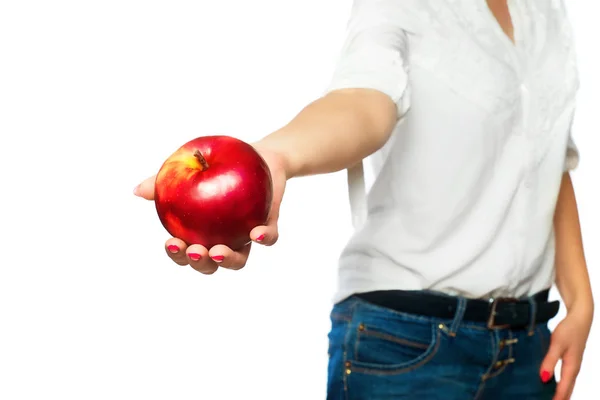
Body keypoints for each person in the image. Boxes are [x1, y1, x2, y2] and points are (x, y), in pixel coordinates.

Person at [134, 0, 594, 398]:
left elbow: (547, 159)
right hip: (407, 344)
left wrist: (581, 302)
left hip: (530, 346)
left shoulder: (546, 9)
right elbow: (362, 102)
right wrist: (275, 157)